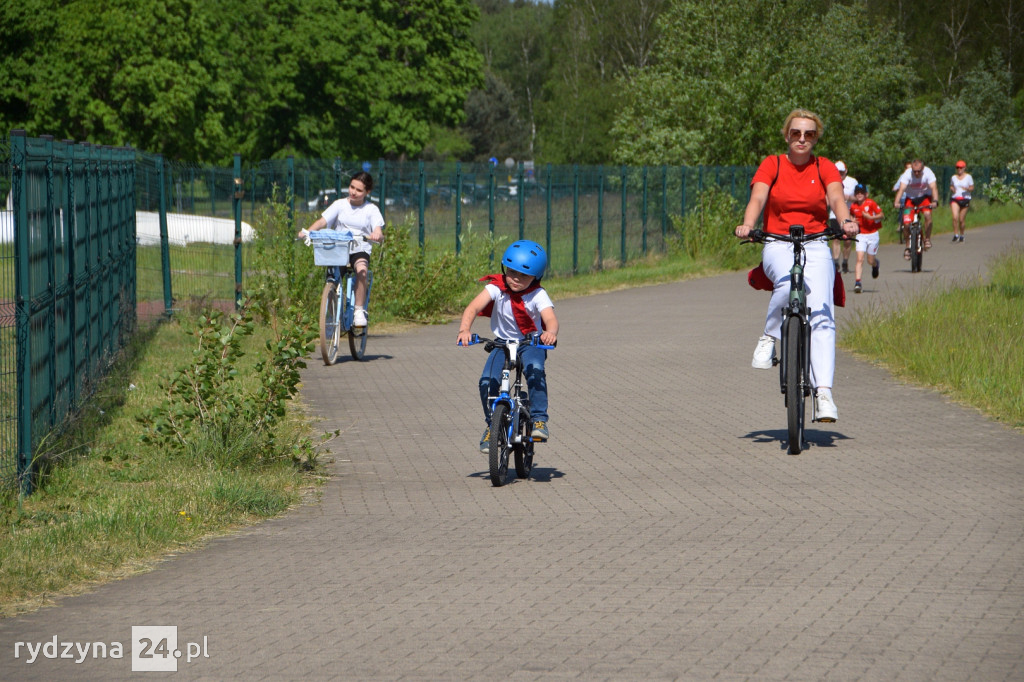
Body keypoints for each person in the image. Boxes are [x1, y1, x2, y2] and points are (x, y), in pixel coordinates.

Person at [735, 108, 858, 422]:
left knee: (823, 316)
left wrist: (845, 221)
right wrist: (748, 225)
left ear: (816, 138)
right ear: (786, 136)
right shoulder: (772, 164)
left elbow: (836, 197)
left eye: (809, 134)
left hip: (816, 242)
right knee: (789, 282)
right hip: (777, 242)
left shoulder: (824, 166)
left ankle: (824, 394)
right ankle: (769, 336)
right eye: (796, 133)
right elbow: (758, 199)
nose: (802, 139)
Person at [457, 240, 559, 452]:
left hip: (531, 342)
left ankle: (539, 420)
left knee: (536, 372)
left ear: (536, 277)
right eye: (512, 272)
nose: (516, 279)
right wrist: (464, 330)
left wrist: (549, 333)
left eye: (524, 275)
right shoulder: (496, 288)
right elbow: (473, 307)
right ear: (505, 268)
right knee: (487, 381)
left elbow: (550, 319)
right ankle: (491, 425)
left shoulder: (538, 294)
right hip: (501, 343)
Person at [298, 171, 384, 326]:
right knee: (332, 279)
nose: (353, 192)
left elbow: (377, 228)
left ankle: (358, 311)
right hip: (339, 248)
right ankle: (331, 316)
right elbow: (322, 222)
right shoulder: (340, 204)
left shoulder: (371, 209)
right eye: (352, 187)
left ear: (367, 192)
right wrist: (308, 232)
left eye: (359, 190)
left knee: (362, 270)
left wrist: (377, 234)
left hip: (360, 247)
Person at [894, 159, 939, 258]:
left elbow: (934, 188)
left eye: (919, 171)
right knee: (906, 224)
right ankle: (907, 247)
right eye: (915, 171)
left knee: (927, 215)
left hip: (924, 198)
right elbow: (901, 189)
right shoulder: (907, 174)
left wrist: (935, 201)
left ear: (923, 168)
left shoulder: (928, 173)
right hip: (910, 199)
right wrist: (896, 202)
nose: (917, 173)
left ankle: (927, 239)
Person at [850, 184, 883, 293]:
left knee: (870, 260)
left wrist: (871, 217)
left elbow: (881, 215)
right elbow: (850, 216)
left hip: (872, 234)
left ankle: (875, 264)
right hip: (861, 235)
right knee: (860, 258)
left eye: (861, 193)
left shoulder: (871, 203)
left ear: (866, 194)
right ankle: (858, 282)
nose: (859, 195)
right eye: (857, 193)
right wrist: (852, 221)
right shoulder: (853, 206)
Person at [829, 160, 859, 273]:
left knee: (847, 240)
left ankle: (845, 261)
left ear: (845, 171)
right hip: (834, 214)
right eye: (838, 172)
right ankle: (836, 262)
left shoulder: (852, 182)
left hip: (849, 213)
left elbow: (859, 197)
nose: (840, 174)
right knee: (836, 238)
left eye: (841, 172)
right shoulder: (831, 180)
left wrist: (849, 198)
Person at [949, 160, 974, 243]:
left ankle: (962, 235)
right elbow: (951, 186)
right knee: (955, 217)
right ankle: (956, 234)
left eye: (961, 167)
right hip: (955, 198)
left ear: (964, 168)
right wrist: (952, 189)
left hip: (965, 198)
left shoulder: (968, 177)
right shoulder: (953, 177)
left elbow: (972, 187)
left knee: (961, 219)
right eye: (957, 167)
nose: (959, 169)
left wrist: (967, 189)